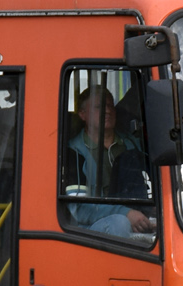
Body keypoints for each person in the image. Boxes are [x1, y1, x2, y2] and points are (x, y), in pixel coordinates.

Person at [65, 85, 153, 238]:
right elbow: (79, 210)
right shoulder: (72, 152)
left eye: (110, 106)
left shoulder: (134, 145)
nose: (107, 111)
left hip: (141, 221)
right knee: (119, 223)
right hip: (91, 229)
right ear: (82, 114)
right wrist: (126, 214)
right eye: (99, 107)